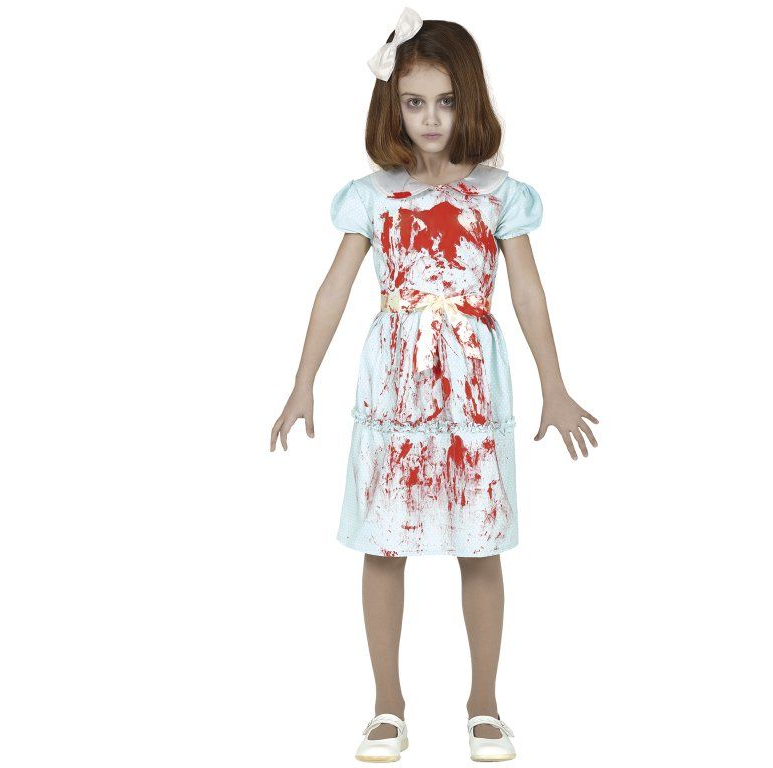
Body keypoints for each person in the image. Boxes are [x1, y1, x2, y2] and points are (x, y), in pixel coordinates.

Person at [270, 7, 598, 762]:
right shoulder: (373, 195)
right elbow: (333, 290)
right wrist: (301, 383)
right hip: (395, 386)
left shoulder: (498, 194)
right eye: (414, 101)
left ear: (469, 101)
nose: (430, 118)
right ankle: (387, 706)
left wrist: (553, 385)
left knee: (479, 545)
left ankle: (484, 704)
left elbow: (528, 293)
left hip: (472, 386)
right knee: (383, 543)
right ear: (393, 104)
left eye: (446, 101)